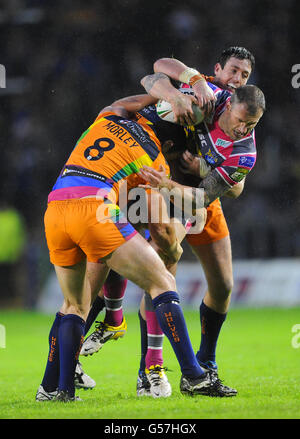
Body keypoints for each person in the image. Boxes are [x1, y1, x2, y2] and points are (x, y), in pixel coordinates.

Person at [80, 47, 259, 397]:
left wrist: (203, 170)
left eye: (245, 76)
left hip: (199, 198)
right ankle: (151, 367)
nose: (237, 79)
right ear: (218, 69)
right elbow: (154, 73)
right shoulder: (205, 91)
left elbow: (233, 188)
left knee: (222, 286)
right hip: (157, 189)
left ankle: (203, 360)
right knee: (159, 259)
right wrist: (184, 87)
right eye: (234, 71)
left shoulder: (242, 128)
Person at [36, 92, 217, 403]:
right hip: (94, 209)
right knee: (161, 282)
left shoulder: (110, 115)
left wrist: (168, 96)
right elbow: (160, 228)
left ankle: (55, 391)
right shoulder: (154, 158)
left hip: (56, 206)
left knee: (73, 305)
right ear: (170, 145)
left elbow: (128, 101)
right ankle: (196, 375)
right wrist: (178, 242)